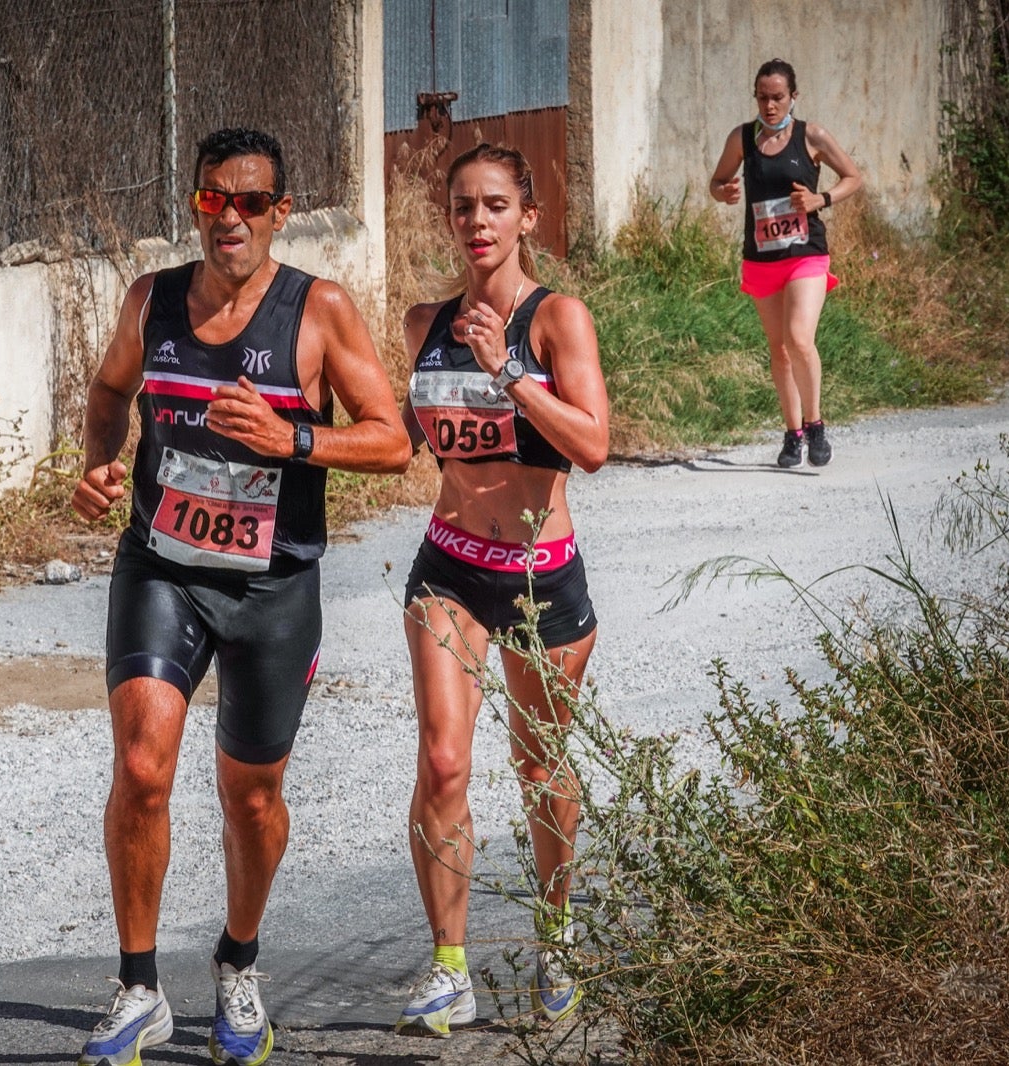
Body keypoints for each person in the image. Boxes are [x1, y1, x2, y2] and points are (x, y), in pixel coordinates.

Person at [70, 127, 408, 1066]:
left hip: (272, 582)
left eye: (252, 202)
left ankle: (237, 961)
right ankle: (138, 987)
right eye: (215, 198)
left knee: (251, 799)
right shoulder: (153, 300)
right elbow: (108, 391)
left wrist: (293, 441)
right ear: (194, 205)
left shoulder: (321, 310)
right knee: (142, 769)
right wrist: (97, 464)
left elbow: (390, 439)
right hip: (163, 566)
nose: (232, 217)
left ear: (280, 212)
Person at [394, 143, 608, 1035]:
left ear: (528, 216)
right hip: (448, 568)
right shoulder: (421, 323)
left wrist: (511, 373)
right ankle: (449, 967)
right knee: (443, 761)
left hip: (538, 578)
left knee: (539, 764)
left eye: (493, 206)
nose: (476, 223)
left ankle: (555, 939)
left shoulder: (557, 319)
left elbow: (593, 445)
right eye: (460, 208)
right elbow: (395, 439)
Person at [709, 57, 863, 469]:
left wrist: (820, 199)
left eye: (778, 97)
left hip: (806, 252)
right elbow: (717, 180)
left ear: (793, 96)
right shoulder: (742, 138)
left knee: (798, 338)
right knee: (778, 349)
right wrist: (722, 191)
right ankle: (792, 434)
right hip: (761, 257)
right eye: (762, 97)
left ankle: (815, 426)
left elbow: (853, 177)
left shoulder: (811, 135)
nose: (770, 105)